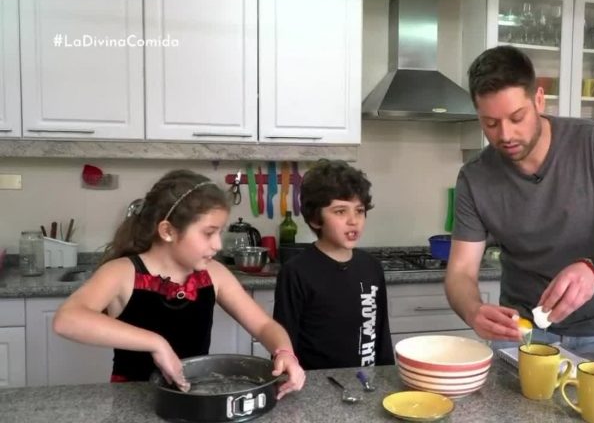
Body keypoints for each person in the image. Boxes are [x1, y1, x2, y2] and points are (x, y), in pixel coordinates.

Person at [444, 45, 594, 359]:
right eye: (490, 123)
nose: (505, 134)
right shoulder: (474, 177)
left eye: (516, 117)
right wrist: (472, 311)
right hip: (521, 334)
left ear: (538, 99)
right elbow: (461, 272)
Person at [53, 170, 305, 399]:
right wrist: (156, 342)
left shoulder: (214, 274)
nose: (218, 244)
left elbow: (263, 325)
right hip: (131, 403)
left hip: (194, 397)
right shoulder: (122, 273)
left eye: (219, 232)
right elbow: (67, 319)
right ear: (168, 231)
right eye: (208, 233)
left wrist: (284, 352)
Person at [273, 159, 395, 370]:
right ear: (315, 219)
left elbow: (381, 334)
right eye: (340, 211)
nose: (353, 220)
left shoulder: (371, 267)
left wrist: (387, 377)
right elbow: (283, 343)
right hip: (315, 388)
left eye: (359, 210)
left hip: (367, 383)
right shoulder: (296, 272)